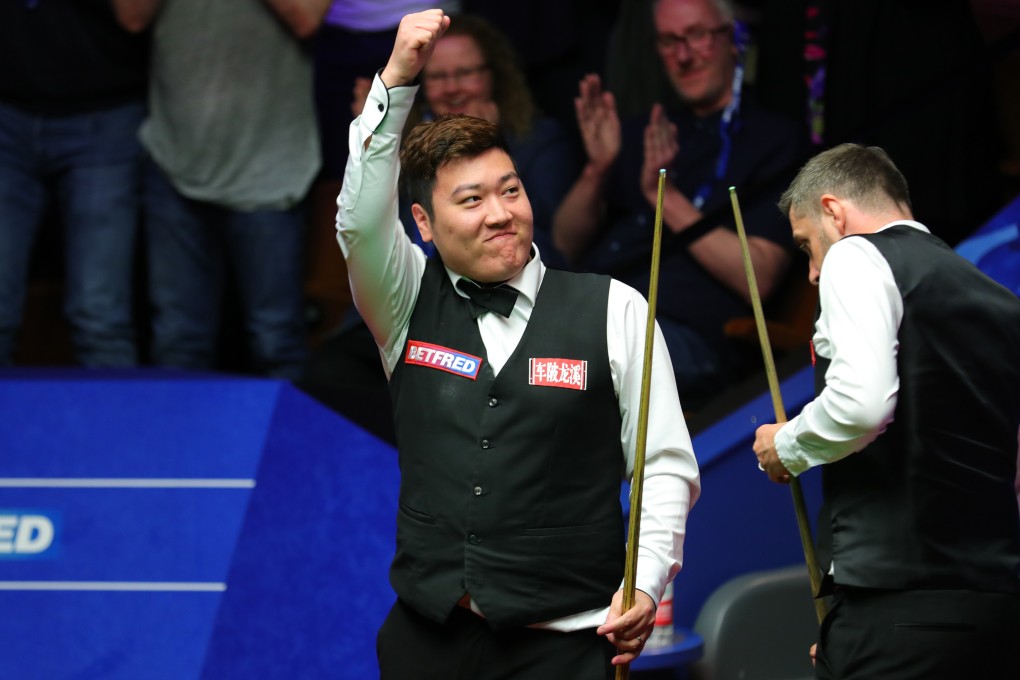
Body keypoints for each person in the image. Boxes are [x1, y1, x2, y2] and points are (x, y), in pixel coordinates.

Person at [336, 11, 700, 679]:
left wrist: (646, 583)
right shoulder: (405, 300)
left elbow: (663, 465)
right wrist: (397, 79)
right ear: (423, 223)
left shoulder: (615, 308)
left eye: (511, 190)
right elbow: (359, 223)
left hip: (566, 646)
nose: (501, 213)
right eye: (471, 200)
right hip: (428, 641)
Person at [752, 143, 1020, 679]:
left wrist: (785, 445)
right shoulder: (997, 298)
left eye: (806, 246)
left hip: (896, 601)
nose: (812, 273)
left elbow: (861, 405)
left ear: (834, 211)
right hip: (996, 613)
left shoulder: (855, 254)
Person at [553, 0, 808, 407]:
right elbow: (565, 242)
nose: (684, 56)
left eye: (697, 35)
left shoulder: (774, 140)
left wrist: (664, 198)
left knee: (557, 362)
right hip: (591, 309)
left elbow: (757, 278)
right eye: (670, 41)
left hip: (686, 338)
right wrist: (597, 170)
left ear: (733, 39)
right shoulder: (643, 130)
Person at [121, 0, 330, 380]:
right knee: (178, 342)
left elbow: (305, 18)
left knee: (275, 340)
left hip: (271, 165)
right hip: (176, 158)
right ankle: (182, 424)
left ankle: (286, 424)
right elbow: (131, 17)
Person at [0, 1, 149, 367]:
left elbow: (135, 17)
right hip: (7, 114)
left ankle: (112, 408)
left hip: (105, 114)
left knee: (99, 316)